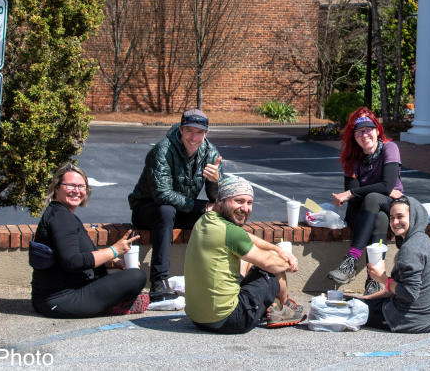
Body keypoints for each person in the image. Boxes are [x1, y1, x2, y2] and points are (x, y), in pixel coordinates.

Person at [184, 176, 306, 333]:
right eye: (239, 201)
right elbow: (270, 264)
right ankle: (285, 308)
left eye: (249, 203)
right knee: (271, 271)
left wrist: (277, 249)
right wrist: (289, 261)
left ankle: (276, 307)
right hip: (228, 320)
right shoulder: (230, 231)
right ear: (221, 201)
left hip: (198, 318)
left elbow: (245, 236)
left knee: (251, 260)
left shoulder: (206, 220)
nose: (246, 208)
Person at [129, 108, 224, 302]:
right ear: (180, 129)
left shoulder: (211, 153)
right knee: (166, 210)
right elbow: (162, 195)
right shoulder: (163, 150)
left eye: (199, 132)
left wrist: (215, 181)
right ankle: (158, 281)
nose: (193, 137)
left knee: (217, 216)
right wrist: (201, 207)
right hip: (147, 208)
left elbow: (215, 197)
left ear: (205, 133)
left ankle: (214, 277)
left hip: (181, 209)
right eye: (189, 130)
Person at [31, 163, 147, 318]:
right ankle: (114, 306)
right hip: (60, 300)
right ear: (57, 188)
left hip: (65, 293)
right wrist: (114, 250)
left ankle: (115, 303)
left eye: (81, 186)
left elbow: (83, 255)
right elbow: (72, 261)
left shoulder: (61, 213)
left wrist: (115, 262)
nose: (77, 191)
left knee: (132, 273)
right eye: (70, 185)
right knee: (136, 277)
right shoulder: (61, 218)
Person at [328, 107, 404, 295]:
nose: (365, 135)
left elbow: (386, 186)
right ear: (354, 137)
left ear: (377, 131)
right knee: (379, 217)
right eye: (359, 132)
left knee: (374, 199)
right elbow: (383, 190)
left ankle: (351, 261)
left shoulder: (389, 148)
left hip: (392, 206)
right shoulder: (352, 158)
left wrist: (351, 194)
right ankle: (374, 280)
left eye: (369, 129)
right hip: (364, 211)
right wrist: (357, 194)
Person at [362, 196, 430, 333]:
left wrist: (382, 278)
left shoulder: (411, 249)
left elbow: (408, 293)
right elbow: (403, 288)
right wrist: (369, 298)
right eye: (391, 217)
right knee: (360, 302)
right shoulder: (423, 241)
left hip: (409, 320)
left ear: (413, 216)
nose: (395, 222)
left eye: (400, 216)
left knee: (348, 306)